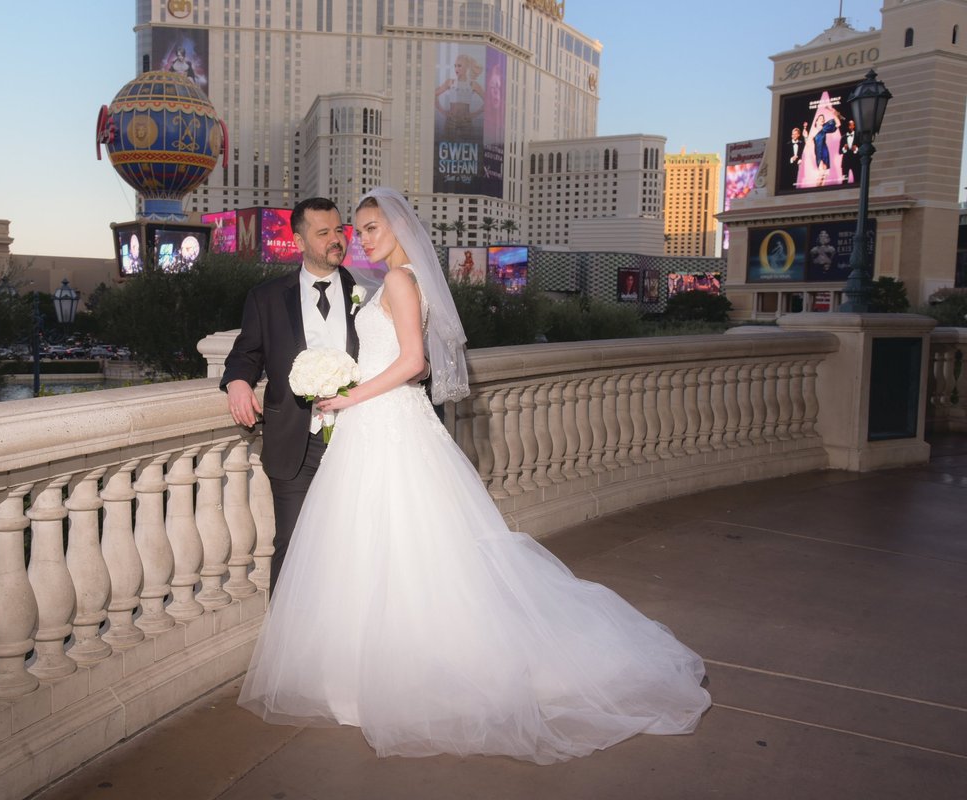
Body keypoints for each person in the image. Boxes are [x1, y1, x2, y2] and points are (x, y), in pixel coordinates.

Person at [238, 187, 711, 764]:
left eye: (366, 227)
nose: (356, 238)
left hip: (382, 425)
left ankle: (396, 674)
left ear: (398, 228)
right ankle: (361, 670)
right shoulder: (380, 284)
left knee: (406, 550)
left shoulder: (397, 282)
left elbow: (414, 362)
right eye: (351, 230)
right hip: (364, 430)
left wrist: (348, 397)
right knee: (367, 549)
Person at [221, 197, 362, 592]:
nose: (336, 240)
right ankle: (286, 649)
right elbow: (246, 353)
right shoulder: (266, 298)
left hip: (357, 440)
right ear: (299, 241)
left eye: (339, 230)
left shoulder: (365, 294)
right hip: (294, 446)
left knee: (352, 547)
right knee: (292, 545)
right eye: (323, 233)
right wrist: (237, 382)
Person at [435, 54, 485, 140]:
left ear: (466, 67)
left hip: (466, 121)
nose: (456, 69)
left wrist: (474, 114)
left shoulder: (473, 84)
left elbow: (488, 101)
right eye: (455, 66)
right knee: (447, 145)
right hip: (451, 121)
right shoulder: (450, 82)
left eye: (459, 66)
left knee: (467, 147)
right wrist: (442, 111)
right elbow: (434, 94)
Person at [840, 118, 860, 184]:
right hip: (845, 163)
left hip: (855, 162)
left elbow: (863, 149)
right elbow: (839, 151)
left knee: (857, 179)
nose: (850, 126)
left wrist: (856, 149)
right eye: (849, 125)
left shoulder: (858, 136)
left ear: (854, 126)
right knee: (844, 180)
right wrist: (844, 149)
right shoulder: (843, 137)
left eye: (852, 125)